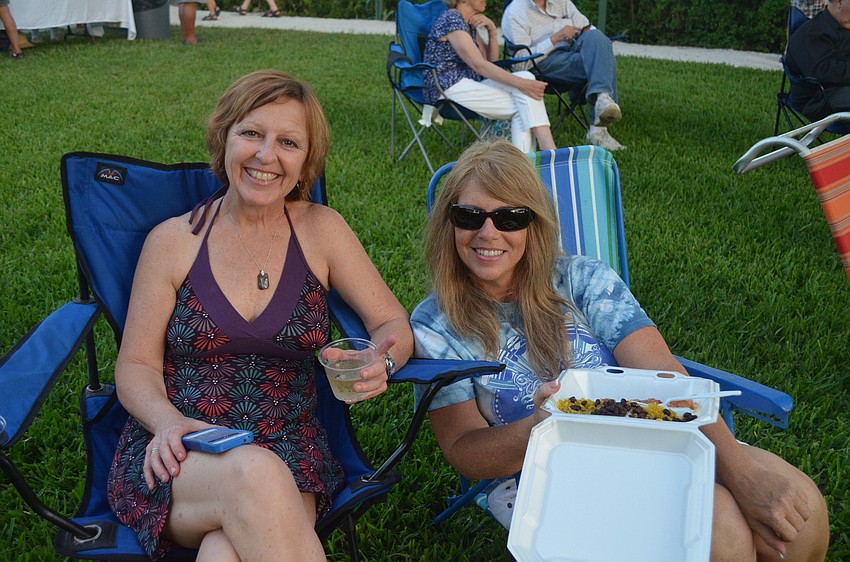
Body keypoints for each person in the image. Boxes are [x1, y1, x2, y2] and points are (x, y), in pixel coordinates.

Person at [411, 140, 830, 561]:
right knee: (720, 531)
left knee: (803, 520)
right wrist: (538, 426)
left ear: (533, 224)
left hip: (651, 438)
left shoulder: (583, 280)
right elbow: (464, 449)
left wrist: (743, 474)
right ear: (448, 222)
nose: (488, 233)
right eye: (469, 215)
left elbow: (664, 375)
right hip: (544, 472)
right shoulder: (435, 327)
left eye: (509, 217)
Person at [106, 70, 413, 561]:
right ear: (223, 136)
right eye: (251, 133)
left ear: (306, 160)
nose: (266, 155)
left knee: (223, 552)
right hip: (181, 452)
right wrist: (167, 422)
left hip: (292, 448)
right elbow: (136, 365)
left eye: (288, 142)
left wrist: (383, 361)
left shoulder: (323, 232)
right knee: (256, 473)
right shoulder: (172, 242)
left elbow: (391, 323)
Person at [423, 0, 556, 152]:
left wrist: (492, 31)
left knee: (526, 77)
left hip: (471, 81)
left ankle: (537, 157)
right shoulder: (451, 20)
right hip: (448, 85)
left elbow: (491, 62)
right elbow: (479, 65)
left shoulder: (467, 23)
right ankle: (538, 158)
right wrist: (521, 84)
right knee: (523, 104)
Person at [502, 0, 624, 151]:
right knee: (602, 60)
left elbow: (586, 27)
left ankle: (602, 98)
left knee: (598, 37)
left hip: (572, 50)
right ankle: (598, 127)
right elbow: (520, 63)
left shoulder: (562, 2)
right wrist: (554, 39)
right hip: (543, 64)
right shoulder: (515, 12)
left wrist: (600, 44)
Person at [785, 0, 850, 122]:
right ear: (839, 2)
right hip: (819, 98)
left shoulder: (843, 26)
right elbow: (824, 72)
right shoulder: (813, 34)